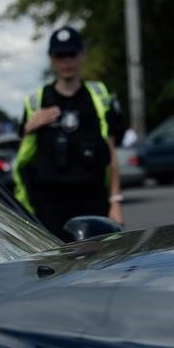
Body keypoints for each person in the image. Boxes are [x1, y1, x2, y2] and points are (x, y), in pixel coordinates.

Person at [14, 26, 124, 238]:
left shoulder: (98, 97)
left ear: (82, 56)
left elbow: (111, 156)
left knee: (97, 264)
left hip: (91, 199)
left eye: (71, 54)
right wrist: (29, 126)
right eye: (60, 55)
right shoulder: (37, 101)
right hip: (48, 205)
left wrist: (116, 202)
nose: (66, 62)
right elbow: (24, 157)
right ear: (51, 59)